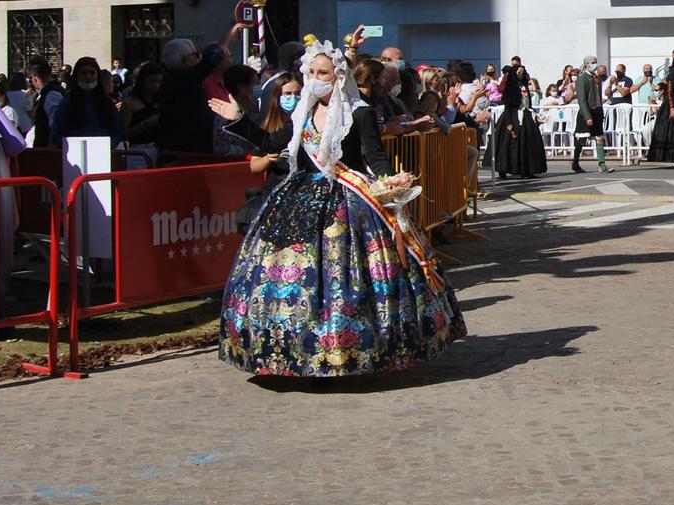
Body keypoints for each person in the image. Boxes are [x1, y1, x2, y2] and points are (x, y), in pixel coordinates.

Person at [211, 42, 464, 377]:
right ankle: (285, 349)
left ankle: (357, 347)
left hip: (348, 201)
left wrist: (391, 186)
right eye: (312, 73)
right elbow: (271, 145)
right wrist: (239, 119)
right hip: (299, 200)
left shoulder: (358, 113)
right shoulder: (301, 112)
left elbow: (373, 157)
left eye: (323, 74)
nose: (316, 80)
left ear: (338, 76)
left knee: (349, 277)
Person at [155, 27, 239, 157]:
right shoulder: (179, 79)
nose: (199, 59)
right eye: (195, 55)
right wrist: (229, 35)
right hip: (184, 151)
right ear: (185, 60)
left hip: (191, 147)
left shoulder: (178, 79)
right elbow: (210, 61)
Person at [491, 60, 548, 179]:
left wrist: (534, 115)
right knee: (508, 144)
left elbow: (528, 103)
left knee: (528, 143)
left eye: (522, 72)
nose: (520, 74)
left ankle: (527, 170)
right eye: (518, 72)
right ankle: (503, 169)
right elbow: (508, 106)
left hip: (526, 116)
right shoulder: (510, 87)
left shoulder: (524, 86)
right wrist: (509, 123)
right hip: (512, 115)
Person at [56, 56, 123, 142]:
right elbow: (57, 134)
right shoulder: (66, 103)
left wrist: (106, 146)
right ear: (76, 76)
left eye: (92, 73)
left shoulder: (108, 103)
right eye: (83, 73)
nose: (88, 77)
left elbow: (116, 133)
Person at [571, 55, 609, 174]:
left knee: (599, 138)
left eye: (595, 62)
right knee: (582, 139)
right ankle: (575, 162)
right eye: (592, 62)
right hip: (587, 112)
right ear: (586, 64)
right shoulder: (582, 79)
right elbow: (582, 100)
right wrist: (587, 117)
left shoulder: (596, 78)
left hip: (597, 111)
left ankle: (602, 164)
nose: (594, 64)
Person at [28, 58, 66, 149]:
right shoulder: (48, 93)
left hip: (47, 150)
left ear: (35, 78)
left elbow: (55, 124)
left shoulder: (52, 95)